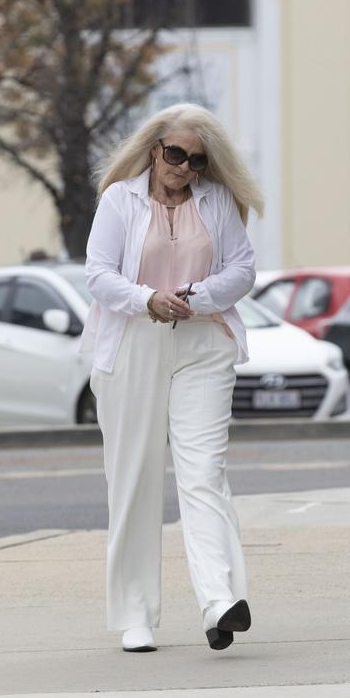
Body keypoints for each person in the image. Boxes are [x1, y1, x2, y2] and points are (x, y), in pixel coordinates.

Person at [82, 103, 264, 653]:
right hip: (133, 340)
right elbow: (97, 273)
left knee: (203, 472)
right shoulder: (120, 200)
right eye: (176, 154)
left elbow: (243, 268)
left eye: (197, 161)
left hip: (203, 341)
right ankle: (135, 614)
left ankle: (220, 601)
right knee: (134, 479)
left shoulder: (216, 203)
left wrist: (196, 296)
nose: (183, 168)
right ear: (155, 149)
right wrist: (148, 300)